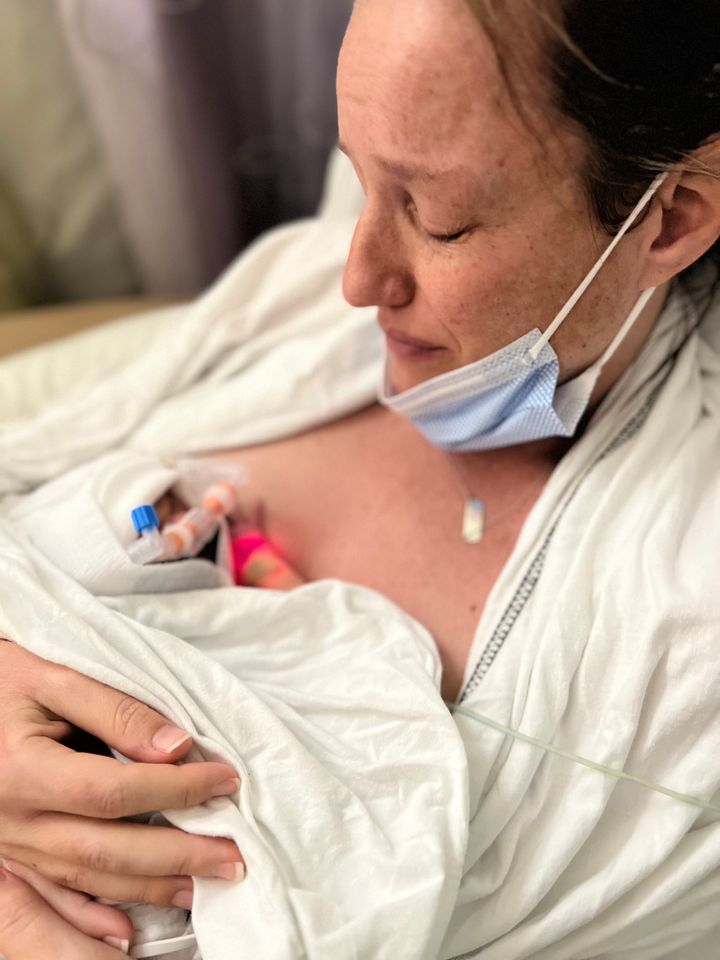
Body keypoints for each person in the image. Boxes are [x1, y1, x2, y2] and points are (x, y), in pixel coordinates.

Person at [1, 0, 719, 956]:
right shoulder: (297, 308)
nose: (354, 275)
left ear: (669, 217)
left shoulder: (676, 626)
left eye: (439, 219)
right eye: (360, 180)